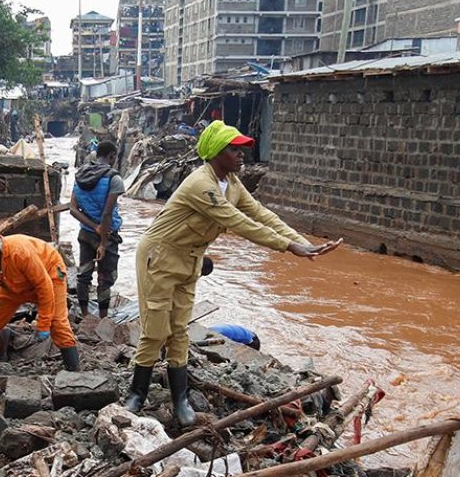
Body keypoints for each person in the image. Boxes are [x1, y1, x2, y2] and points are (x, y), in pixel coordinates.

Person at [125, 121, 342, 426]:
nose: (241, 155)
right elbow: (240, 223)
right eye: (234, 149)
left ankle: (180, 399)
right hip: (160, 256)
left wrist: (303, 243)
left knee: (180, 330)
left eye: (242, 148)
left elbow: (261, 215)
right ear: (215, 153)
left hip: (190, 260)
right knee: (156, 329)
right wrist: (288, 246)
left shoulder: (233, 185)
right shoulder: (201, 184)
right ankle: (137, 394)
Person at [0, 230, 79, 373]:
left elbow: (44, 287)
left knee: (57, 322)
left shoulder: (19, 252)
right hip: (12, 284)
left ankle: (73, 372)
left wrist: (44, 323)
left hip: (49, 273)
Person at [69, 140, 124, 319]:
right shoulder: (114, 179)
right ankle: (102, 318)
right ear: (112, 155)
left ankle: (84, 316)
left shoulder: (80, 176)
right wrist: (103, 241)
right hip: (107, 235)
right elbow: (107, 214)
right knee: (105, 278)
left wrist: (93, 226)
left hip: (85, 233)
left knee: (83, 275)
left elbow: (73, 209)